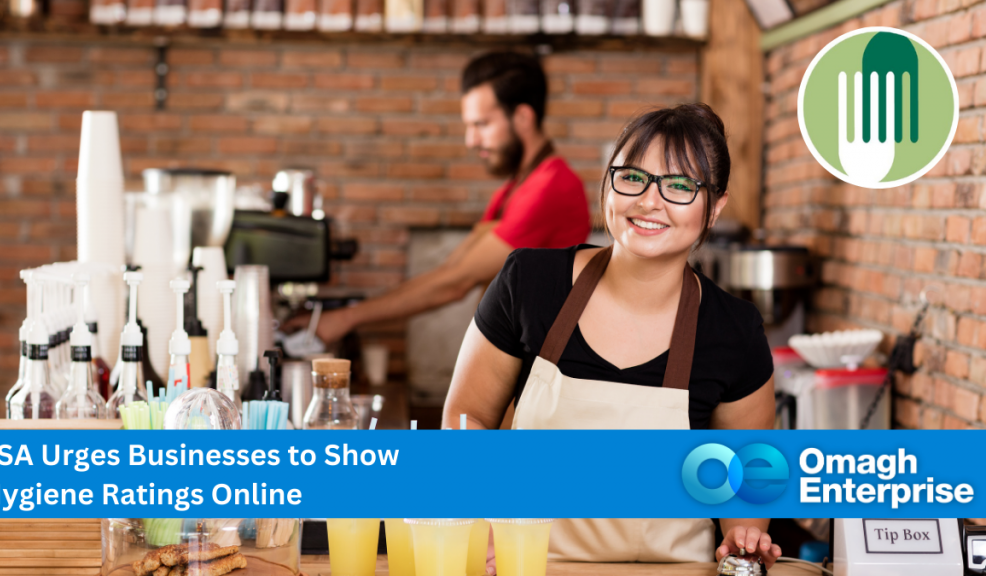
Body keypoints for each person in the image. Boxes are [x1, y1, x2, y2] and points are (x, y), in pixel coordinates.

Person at [443, 103, 783, 566]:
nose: (648, 201)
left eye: (680, 186)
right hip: (526, 565)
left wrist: (743, 536)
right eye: (632, 177)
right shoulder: (529, 283)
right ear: (609, 182)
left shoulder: (734, 331)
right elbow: (468, 420)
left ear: (715, 207)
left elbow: (747, 473)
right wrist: (476, 516)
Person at [284, 52, 591, 342]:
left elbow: (454, 284)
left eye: (481, 124)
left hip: (542, 372)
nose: (471, 140)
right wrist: (338, 315)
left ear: (523, 116)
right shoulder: (514, 188)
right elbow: (450, 271)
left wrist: (344, 319)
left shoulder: (551, 187)